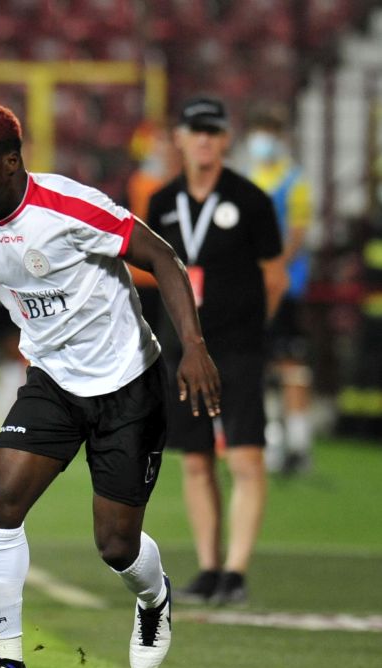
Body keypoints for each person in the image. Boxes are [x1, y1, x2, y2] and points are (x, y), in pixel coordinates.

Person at [0, 104, 221, 668]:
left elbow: (163, 258)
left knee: (116, 545)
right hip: (53, 383)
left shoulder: (69, 206)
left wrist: (192, 347)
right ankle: (8, 663)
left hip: (127, 383)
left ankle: (153, 597)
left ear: (12, 162)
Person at [148, 97, 286, 605]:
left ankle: (236, 571)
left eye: (213, 131)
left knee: (246, 456)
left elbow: (275, 276)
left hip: (238, 349)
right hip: (184, 352)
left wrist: (249, 329)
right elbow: (152, 273)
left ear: (226, 139)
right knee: (196, 459)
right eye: (196, 130)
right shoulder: (162, 202)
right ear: (180, 138)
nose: (204, 139)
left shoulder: (251, 200)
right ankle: (209, 566)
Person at [245, 107, 316, 476]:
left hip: (286, 286)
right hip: (256, 286)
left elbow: (297, 236)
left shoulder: (294, 181)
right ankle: (270, 444)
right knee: (260, 362)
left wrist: (272, 267)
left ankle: (300, 444)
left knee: (291, 364)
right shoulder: (249, 178)